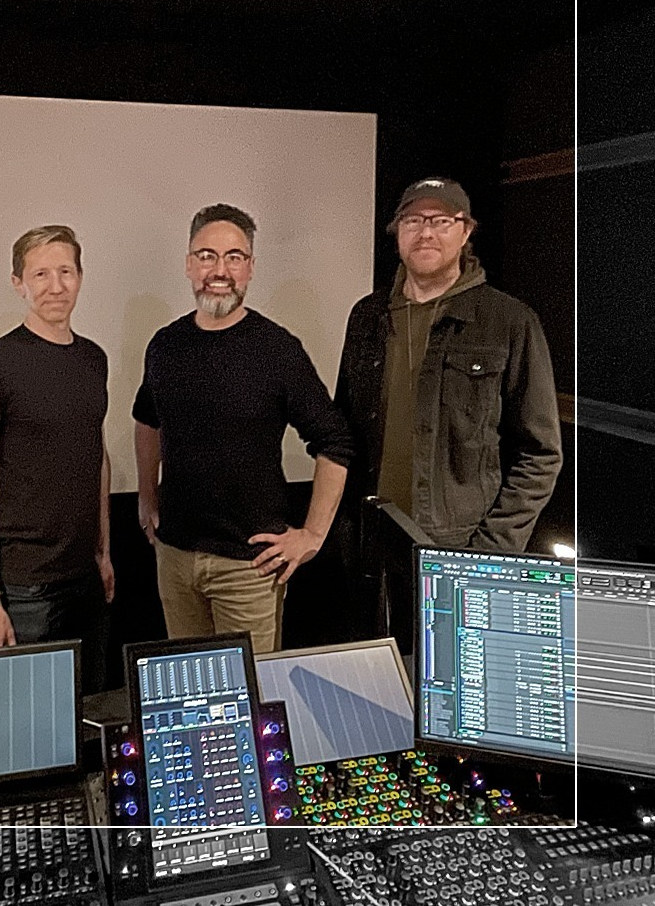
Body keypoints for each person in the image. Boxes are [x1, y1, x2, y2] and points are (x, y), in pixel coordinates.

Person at [334, 177, 563, 642]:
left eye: (442, 221)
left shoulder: (509, 321)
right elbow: (344, 431)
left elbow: (541, 454)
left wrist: (491, 551)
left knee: (458, 698)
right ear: (397, 232)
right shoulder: (367, 316)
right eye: (413, 220)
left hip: (461, 550)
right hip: (373, 552)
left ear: (466, 231)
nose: (426, 233)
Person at [132, 203, 354, 656]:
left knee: (248, 700)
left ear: (250, 268)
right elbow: (147, 418)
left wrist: (312, 535)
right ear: (189, 264)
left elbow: (335, 441)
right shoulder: (165, 345)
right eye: (207, 256)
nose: (220, 270)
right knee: (185, 690)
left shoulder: (276, 350)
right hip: (174, 558)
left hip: (248, 568)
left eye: (234, 257)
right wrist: (146, 495)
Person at [0, 225, 113, 693]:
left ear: (80, 277)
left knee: (91, 718)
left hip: (86, 579)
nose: (55, 285)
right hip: (24, 589)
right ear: (18, 283)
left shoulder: (93, 360)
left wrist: (103, 553)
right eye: (40, 273)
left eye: (65, 271)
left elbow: (96, 458)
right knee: (32, 729)